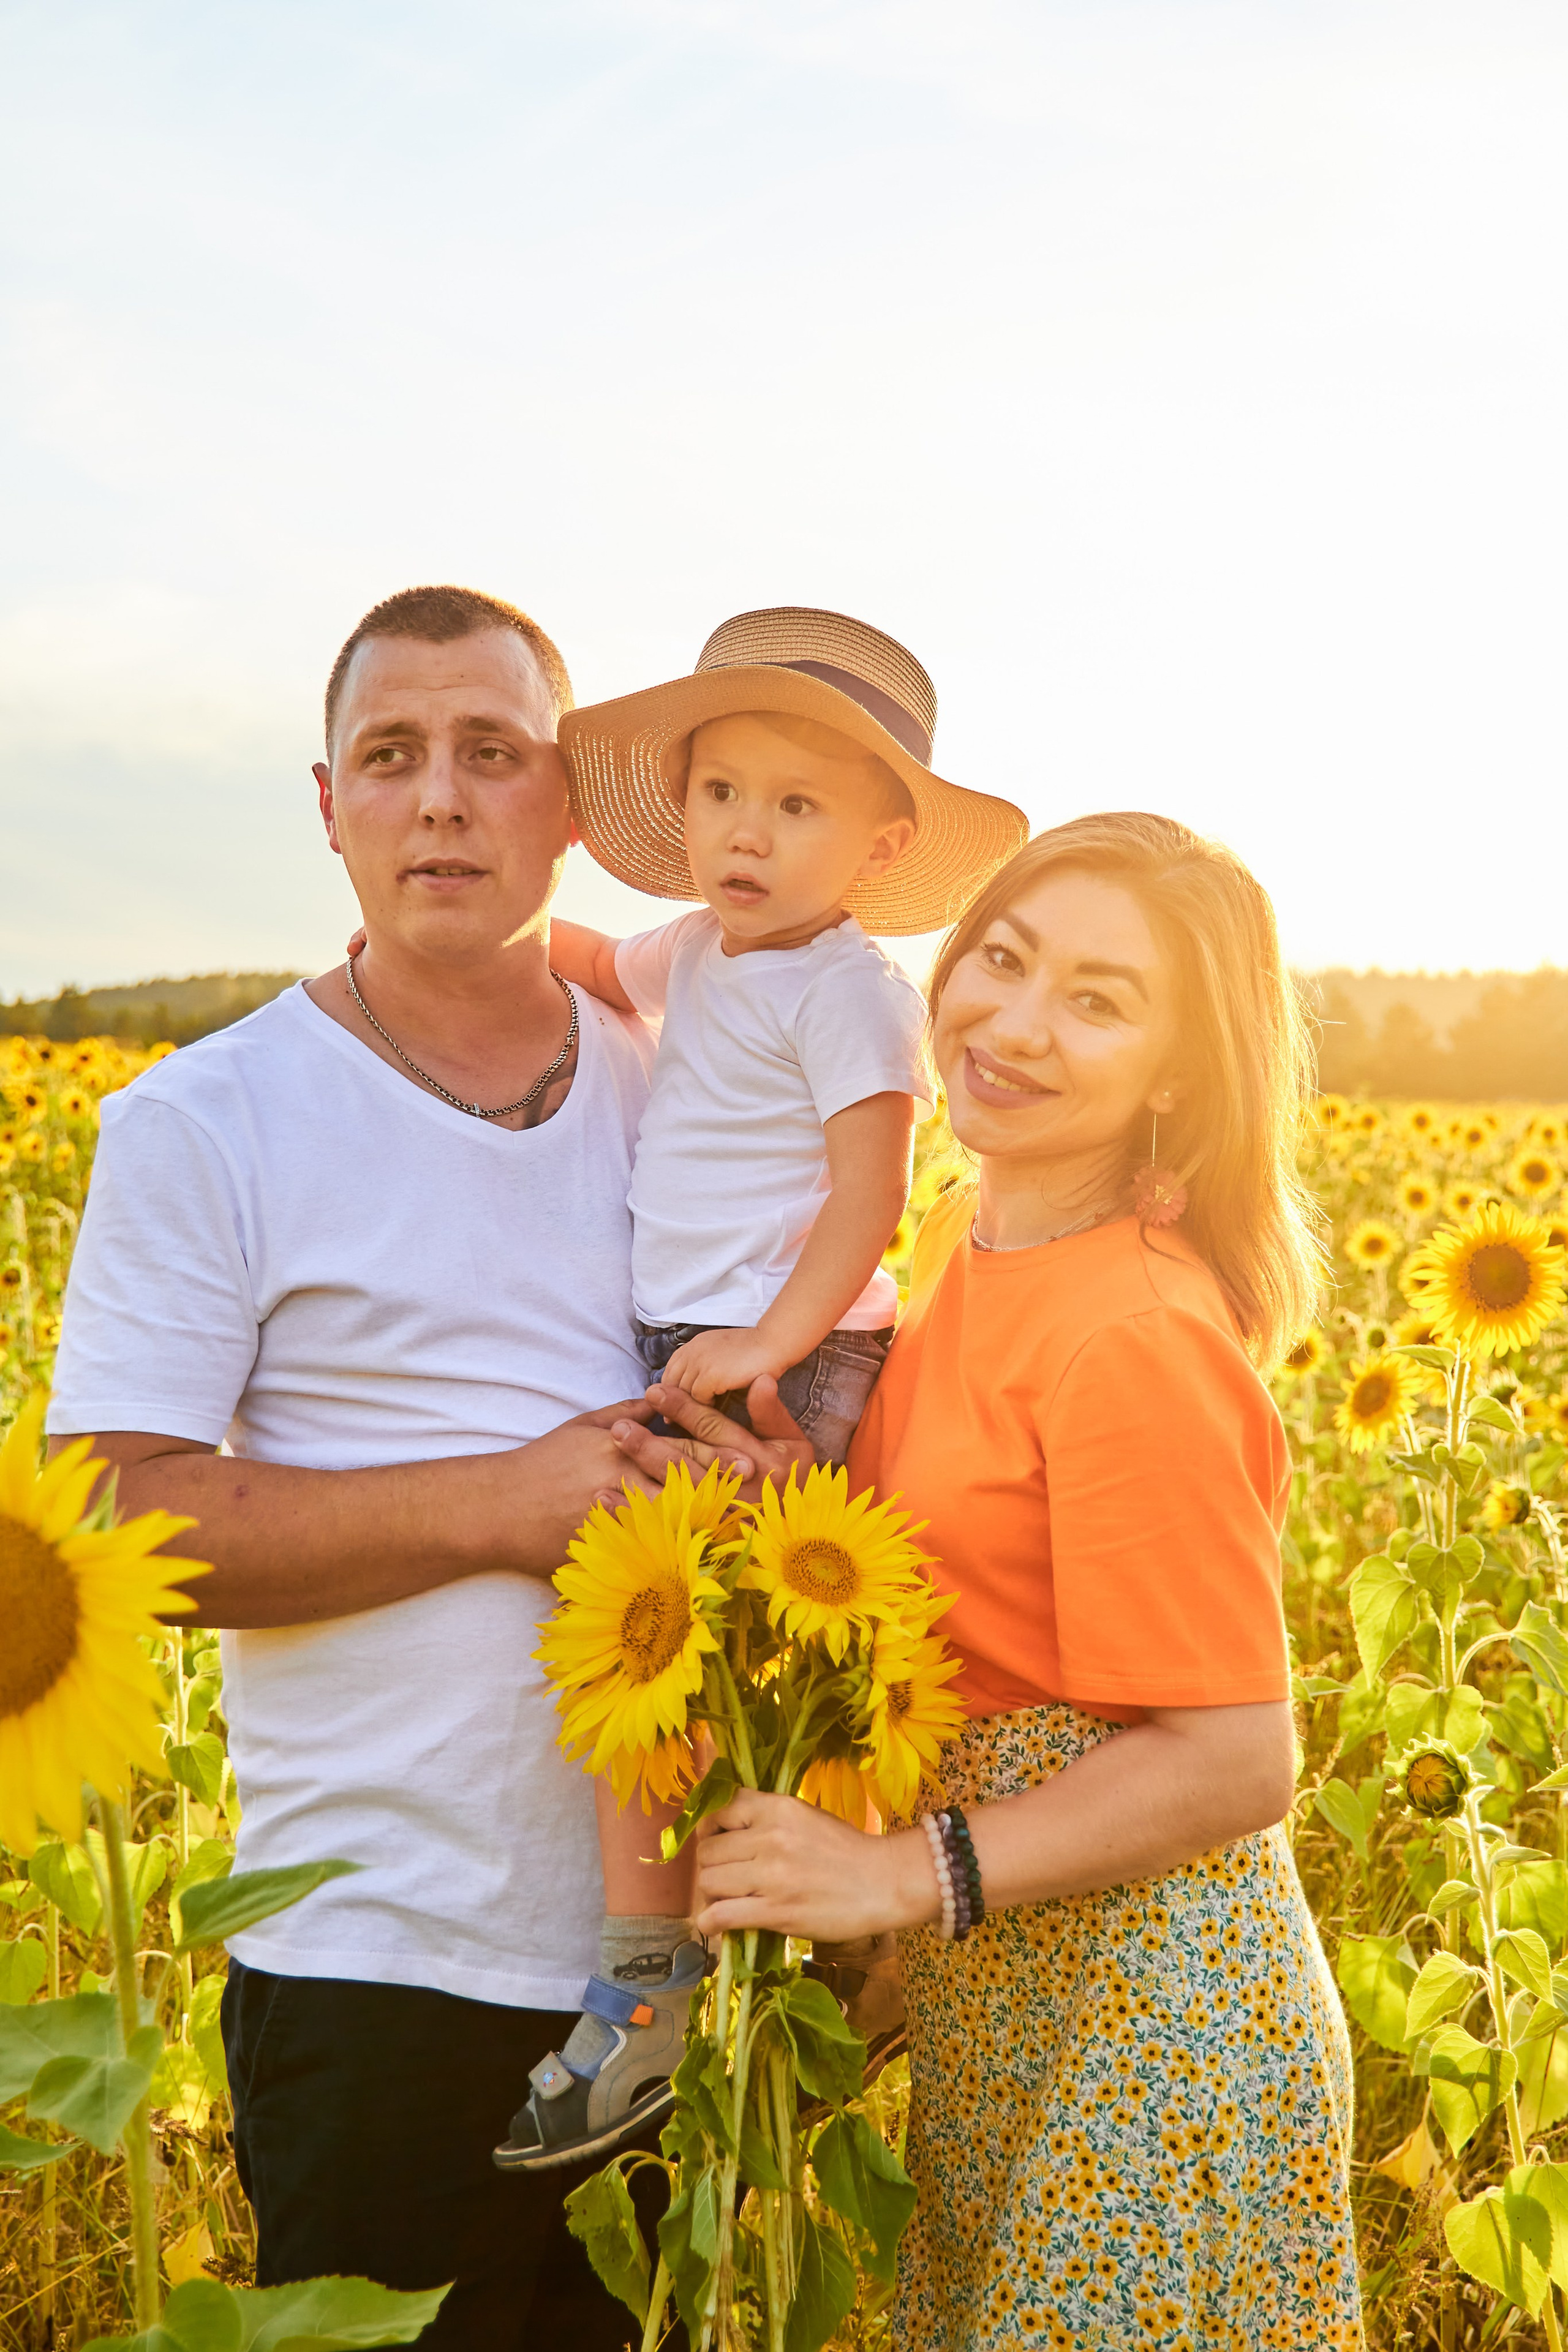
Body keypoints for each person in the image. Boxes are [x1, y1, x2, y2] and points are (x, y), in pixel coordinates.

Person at [44, 584, 765, 2346]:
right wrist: (500, 1503)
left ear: (569, 806)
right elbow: (104, 1519)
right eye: (392, 755)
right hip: (380, 1967)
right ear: (330, 806)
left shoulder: (690, 1091)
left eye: (491, 752)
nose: (440, 796)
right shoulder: (206, 1120)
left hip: (684, 1963)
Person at [616, 813, 1365, 2350]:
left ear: (1175, 1071)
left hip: (1156, 2009)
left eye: (1096, 1000)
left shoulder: (1132, 1334)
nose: (1015, 1024)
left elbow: (1235, 1756)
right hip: (1016, 1986)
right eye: (1003, 962)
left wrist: (900, 1876)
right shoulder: (968, 1241)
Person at [493, 606, 1028, 2172]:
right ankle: (671, 1979)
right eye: (721, 794)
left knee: (797, 1671)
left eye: (795, 808)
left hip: (803, 1354)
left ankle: (824, 1971)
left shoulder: (852, 992)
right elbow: (586, 953)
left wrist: (779, 1346)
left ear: (876, 844)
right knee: (639, 1656)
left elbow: (872, 1199)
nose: (747, 834)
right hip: (695, 1347)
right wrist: (461, 935)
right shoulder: (699, 952)